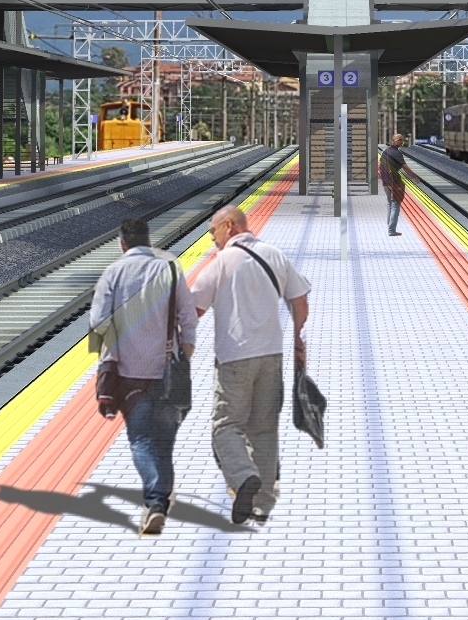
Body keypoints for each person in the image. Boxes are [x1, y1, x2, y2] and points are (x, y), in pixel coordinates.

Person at [190, 204, 310, 525]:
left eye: (212, 231)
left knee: (225, 426)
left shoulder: (221, 263)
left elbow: (193, 309)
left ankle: (243, 478)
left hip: (235, 358)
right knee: (264, 429)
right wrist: (298, 339)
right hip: (272, 356)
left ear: (228, 226)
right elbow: (299, 300)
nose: (212, 238)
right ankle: (263, 503)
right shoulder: (274, 255)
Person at [89, 216, 197, 535]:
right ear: (149, 242)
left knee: (141, 440)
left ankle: (155, 502)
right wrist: (182, 357)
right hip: (166, 370)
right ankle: (160, 497)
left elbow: (98, 322)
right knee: (163, 441)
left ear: (122, 244)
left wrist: (112, 351)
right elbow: (188, 320)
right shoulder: (170, 270)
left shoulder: (113, 273)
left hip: (128, 373)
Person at [379, 134, 410, 235]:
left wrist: (383, 178)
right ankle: (391, 230)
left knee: (389, 203)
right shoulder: (397, 153)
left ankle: (389, 223)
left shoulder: (385, 151)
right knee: (395, 205)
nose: (401, 142)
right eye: (399, 140)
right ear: (393, 141)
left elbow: (380, 166)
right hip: (394, 182)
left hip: (385, 183)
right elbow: (405, 167)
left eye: (402, 140)